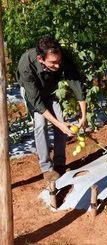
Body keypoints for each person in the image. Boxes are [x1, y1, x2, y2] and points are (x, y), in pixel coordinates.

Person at [16, 36, 87, 181]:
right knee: (41, 125)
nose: (58, 66)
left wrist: (83, 115)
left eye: (59, 61)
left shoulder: (61, 55)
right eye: (53, 63)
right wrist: (59, 124)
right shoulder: (26, 64)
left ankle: (60, 163)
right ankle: (47, 168)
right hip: (33, 94)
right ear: (41, 59)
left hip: (51, 90)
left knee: (60, 121)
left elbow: (76, 83)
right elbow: (36, 101)